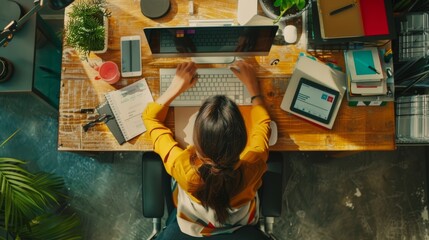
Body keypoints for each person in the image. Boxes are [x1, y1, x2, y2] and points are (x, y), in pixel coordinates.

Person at [142, 60, 271, 238]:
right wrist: (254, 90)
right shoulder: (254, 163)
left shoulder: (184, 169)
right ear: (243, 142)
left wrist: (175, 87)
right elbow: (263, 123)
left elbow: (150, 118)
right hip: (240, 225)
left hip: (193, 226)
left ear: (197, 143)